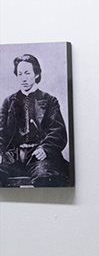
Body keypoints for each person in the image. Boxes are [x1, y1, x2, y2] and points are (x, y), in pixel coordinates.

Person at [0, 53, 70, 187]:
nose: (23, 78)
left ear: (36, 74)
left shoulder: (49, 100)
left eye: (27, 73)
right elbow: (1, 131)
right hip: (13, 158)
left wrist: (45, 148)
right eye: (20, 74)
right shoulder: (8, 102)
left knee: (45, 176)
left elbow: (58, 131)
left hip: (39, 157)